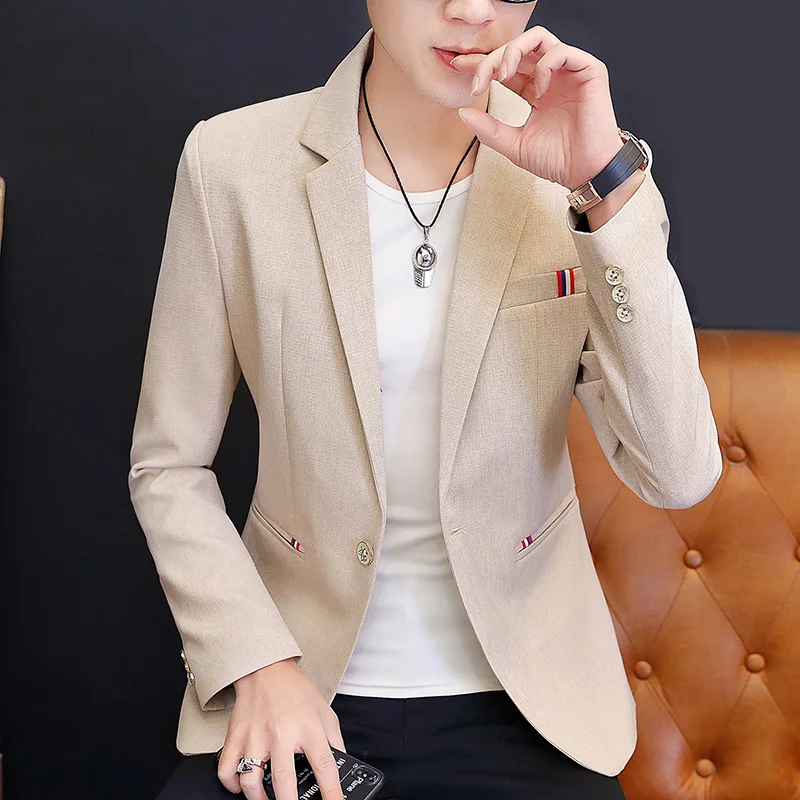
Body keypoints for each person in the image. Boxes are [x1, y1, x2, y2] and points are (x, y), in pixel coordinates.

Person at [128, 1, 722, 798]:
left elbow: (677, 474)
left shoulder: (585, 169)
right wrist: (258, 665)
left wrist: (604, 187)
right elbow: (168, 467)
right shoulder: (232, 163)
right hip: (299, 686)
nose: (472, 10)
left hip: (528, 704)